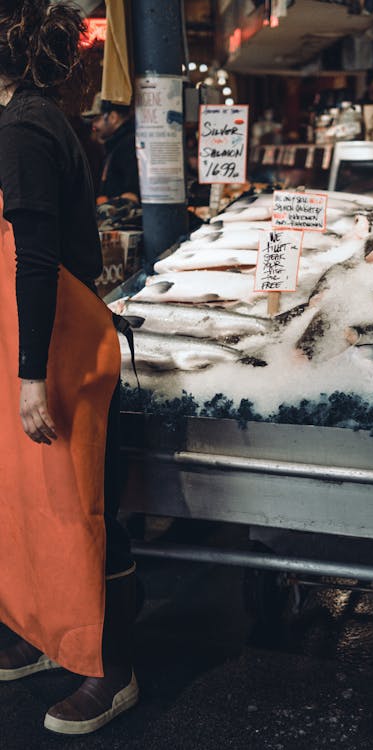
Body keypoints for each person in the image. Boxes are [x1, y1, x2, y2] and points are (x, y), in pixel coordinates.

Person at [0, 0, 137, 735]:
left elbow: (36, 260)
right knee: (28, 507)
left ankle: (106, 667)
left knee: (75, 508)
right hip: (38, 341)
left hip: (58, 346)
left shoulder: (23, 125)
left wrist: (29, 376)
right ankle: (44, 632)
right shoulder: (34, 114)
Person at [91, 98, 140, 205]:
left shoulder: (128, 145)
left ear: (113, 117)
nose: (93, 126)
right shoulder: (116, 145)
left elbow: (131, 196)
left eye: (97, 119)